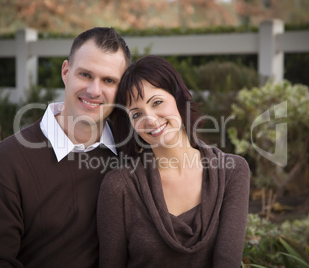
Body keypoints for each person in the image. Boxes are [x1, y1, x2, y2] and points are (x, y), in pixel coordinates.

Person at [0, 27, 131, 267]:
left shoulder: (132, 150)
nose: (94, 90)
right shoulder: (8, 162)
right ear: (66, 72)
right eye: (85, 75)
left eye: (108, 80)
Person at [97, 55, 250, 267]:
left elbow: (227, 262)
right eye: (136, 114)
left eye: (157, 102)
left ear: (179, 98)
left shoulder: (232, 172)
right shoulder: (119, 186)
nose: (149, 119)